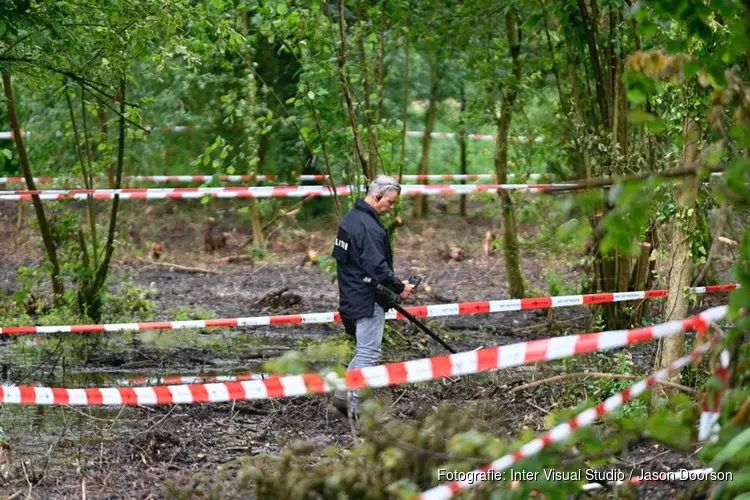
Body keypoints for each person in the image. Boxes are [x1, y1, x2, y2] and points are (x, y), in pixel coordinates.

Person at [330, 175, 414, 420]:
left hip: (354, 293)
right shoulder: (366, 226)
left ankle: (343, 397)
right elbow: (376, 266)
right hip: (366, 297)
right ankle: (357, 409)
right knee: (369, 353)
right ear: (377, 196)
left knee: (364, 350)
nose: (391, 208)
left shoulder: (352, 218)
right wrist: (399, 288)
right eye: (389, 202)